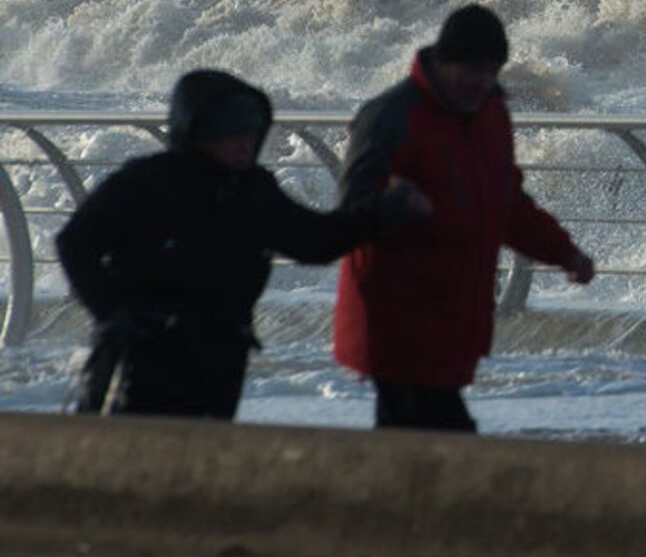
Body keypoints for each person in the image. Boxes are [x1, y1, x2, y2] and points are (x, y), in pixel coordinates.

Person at [56, 68, 429, 419]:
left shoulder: (253, 190)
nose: (245, 143)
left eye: (251, 132)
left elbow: (314, 241)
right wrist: (112, 312)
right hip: (142, 355)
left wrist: (383, 213)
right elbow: (74, 243)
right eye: (230, 132)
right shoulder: (144, 182)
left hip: (220, 359)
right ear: (197, 130)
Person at [333, 4, 595, 432]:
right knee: (442, 447)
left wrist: (565, 253)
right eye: (471, 69)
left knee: (418, 456)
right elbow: (350, 212)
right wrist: (396, 203)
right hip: (397, 320)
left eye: (491, 70)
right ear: (443, 62)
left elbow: (507, 203)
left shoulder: (491, 114)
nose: (481, 81)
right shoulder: (391, 116)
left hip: (453, 317)